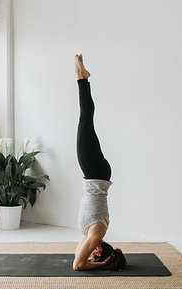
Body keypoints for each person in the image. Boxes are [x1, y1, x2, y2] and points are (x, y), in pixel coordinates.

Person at [72, 54, 126, 272]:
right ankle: (81, 79)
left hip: (98, 174)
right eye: (96, 254)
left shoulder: (92, 235)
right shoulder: (96, 235)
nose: (91, 253)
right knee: (85, 120)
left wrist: (97, 258)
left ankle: (83, 79)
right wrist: (103, 264)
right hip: (95, 174)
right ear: (100, 249)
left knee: (87, 122)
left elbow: (79, 255)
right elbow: (78, 265)